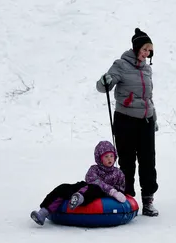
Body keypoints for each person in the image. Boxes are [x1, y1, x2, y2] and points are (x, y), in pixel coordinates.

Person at [96, 28, 159, 216]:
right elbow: (103, 87)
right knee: (127, 161)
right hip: (125, 120)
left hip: (145, 121)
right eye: (145, 49)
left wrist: (153, 117)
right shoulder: (121, 65)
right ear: (137, 47)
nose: (147, 54)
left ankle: (148, 200)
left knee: (148, 161)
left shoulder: (147, 69)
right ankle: (127, 198)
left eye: (150, 51)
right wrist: (104, 81)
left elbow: (149, 97)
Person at [30, 141, 126, 226]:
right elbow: (91, 179)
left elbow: (121, 187)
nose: (109, 159)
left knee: (95, 188)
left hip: (98, 193)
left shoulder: (118, 173)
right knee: (64, 187)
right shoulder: (94, 169)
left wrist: (114, 192)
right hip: (87, 186)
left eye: (111, 156)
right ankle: (43, 212)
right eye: (106, 156)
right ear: (99, 158)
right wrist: (111, 190)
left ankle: (79, 198)